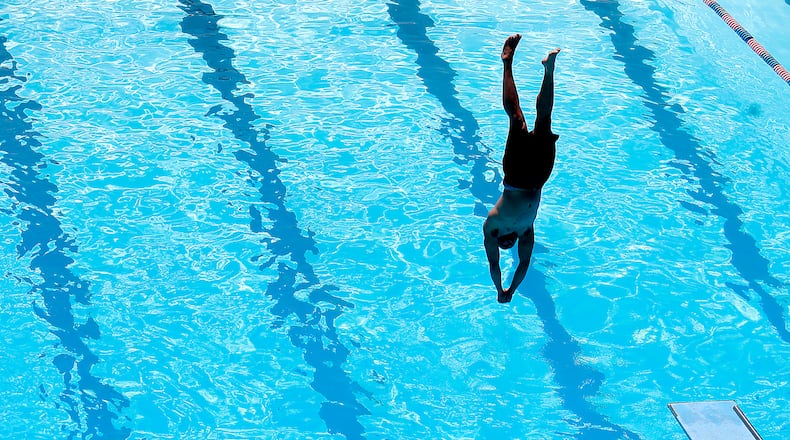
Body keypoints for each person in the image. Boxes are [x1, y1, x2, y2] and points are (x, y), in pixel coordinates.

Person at [483, 34, 560, 303]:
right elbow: (524, 264)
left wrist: (498, 289)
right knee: (544, 119)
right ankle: (549, 69)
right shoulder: (526, 231)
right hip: (539, 176)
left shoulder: (493, 226)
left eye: (502, 245)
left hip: (515, 175)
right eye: (508, 246)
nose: (505, 247)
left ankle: (507, 61)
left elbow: (494, 265)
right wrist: (511, 290)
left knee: (516, 118)